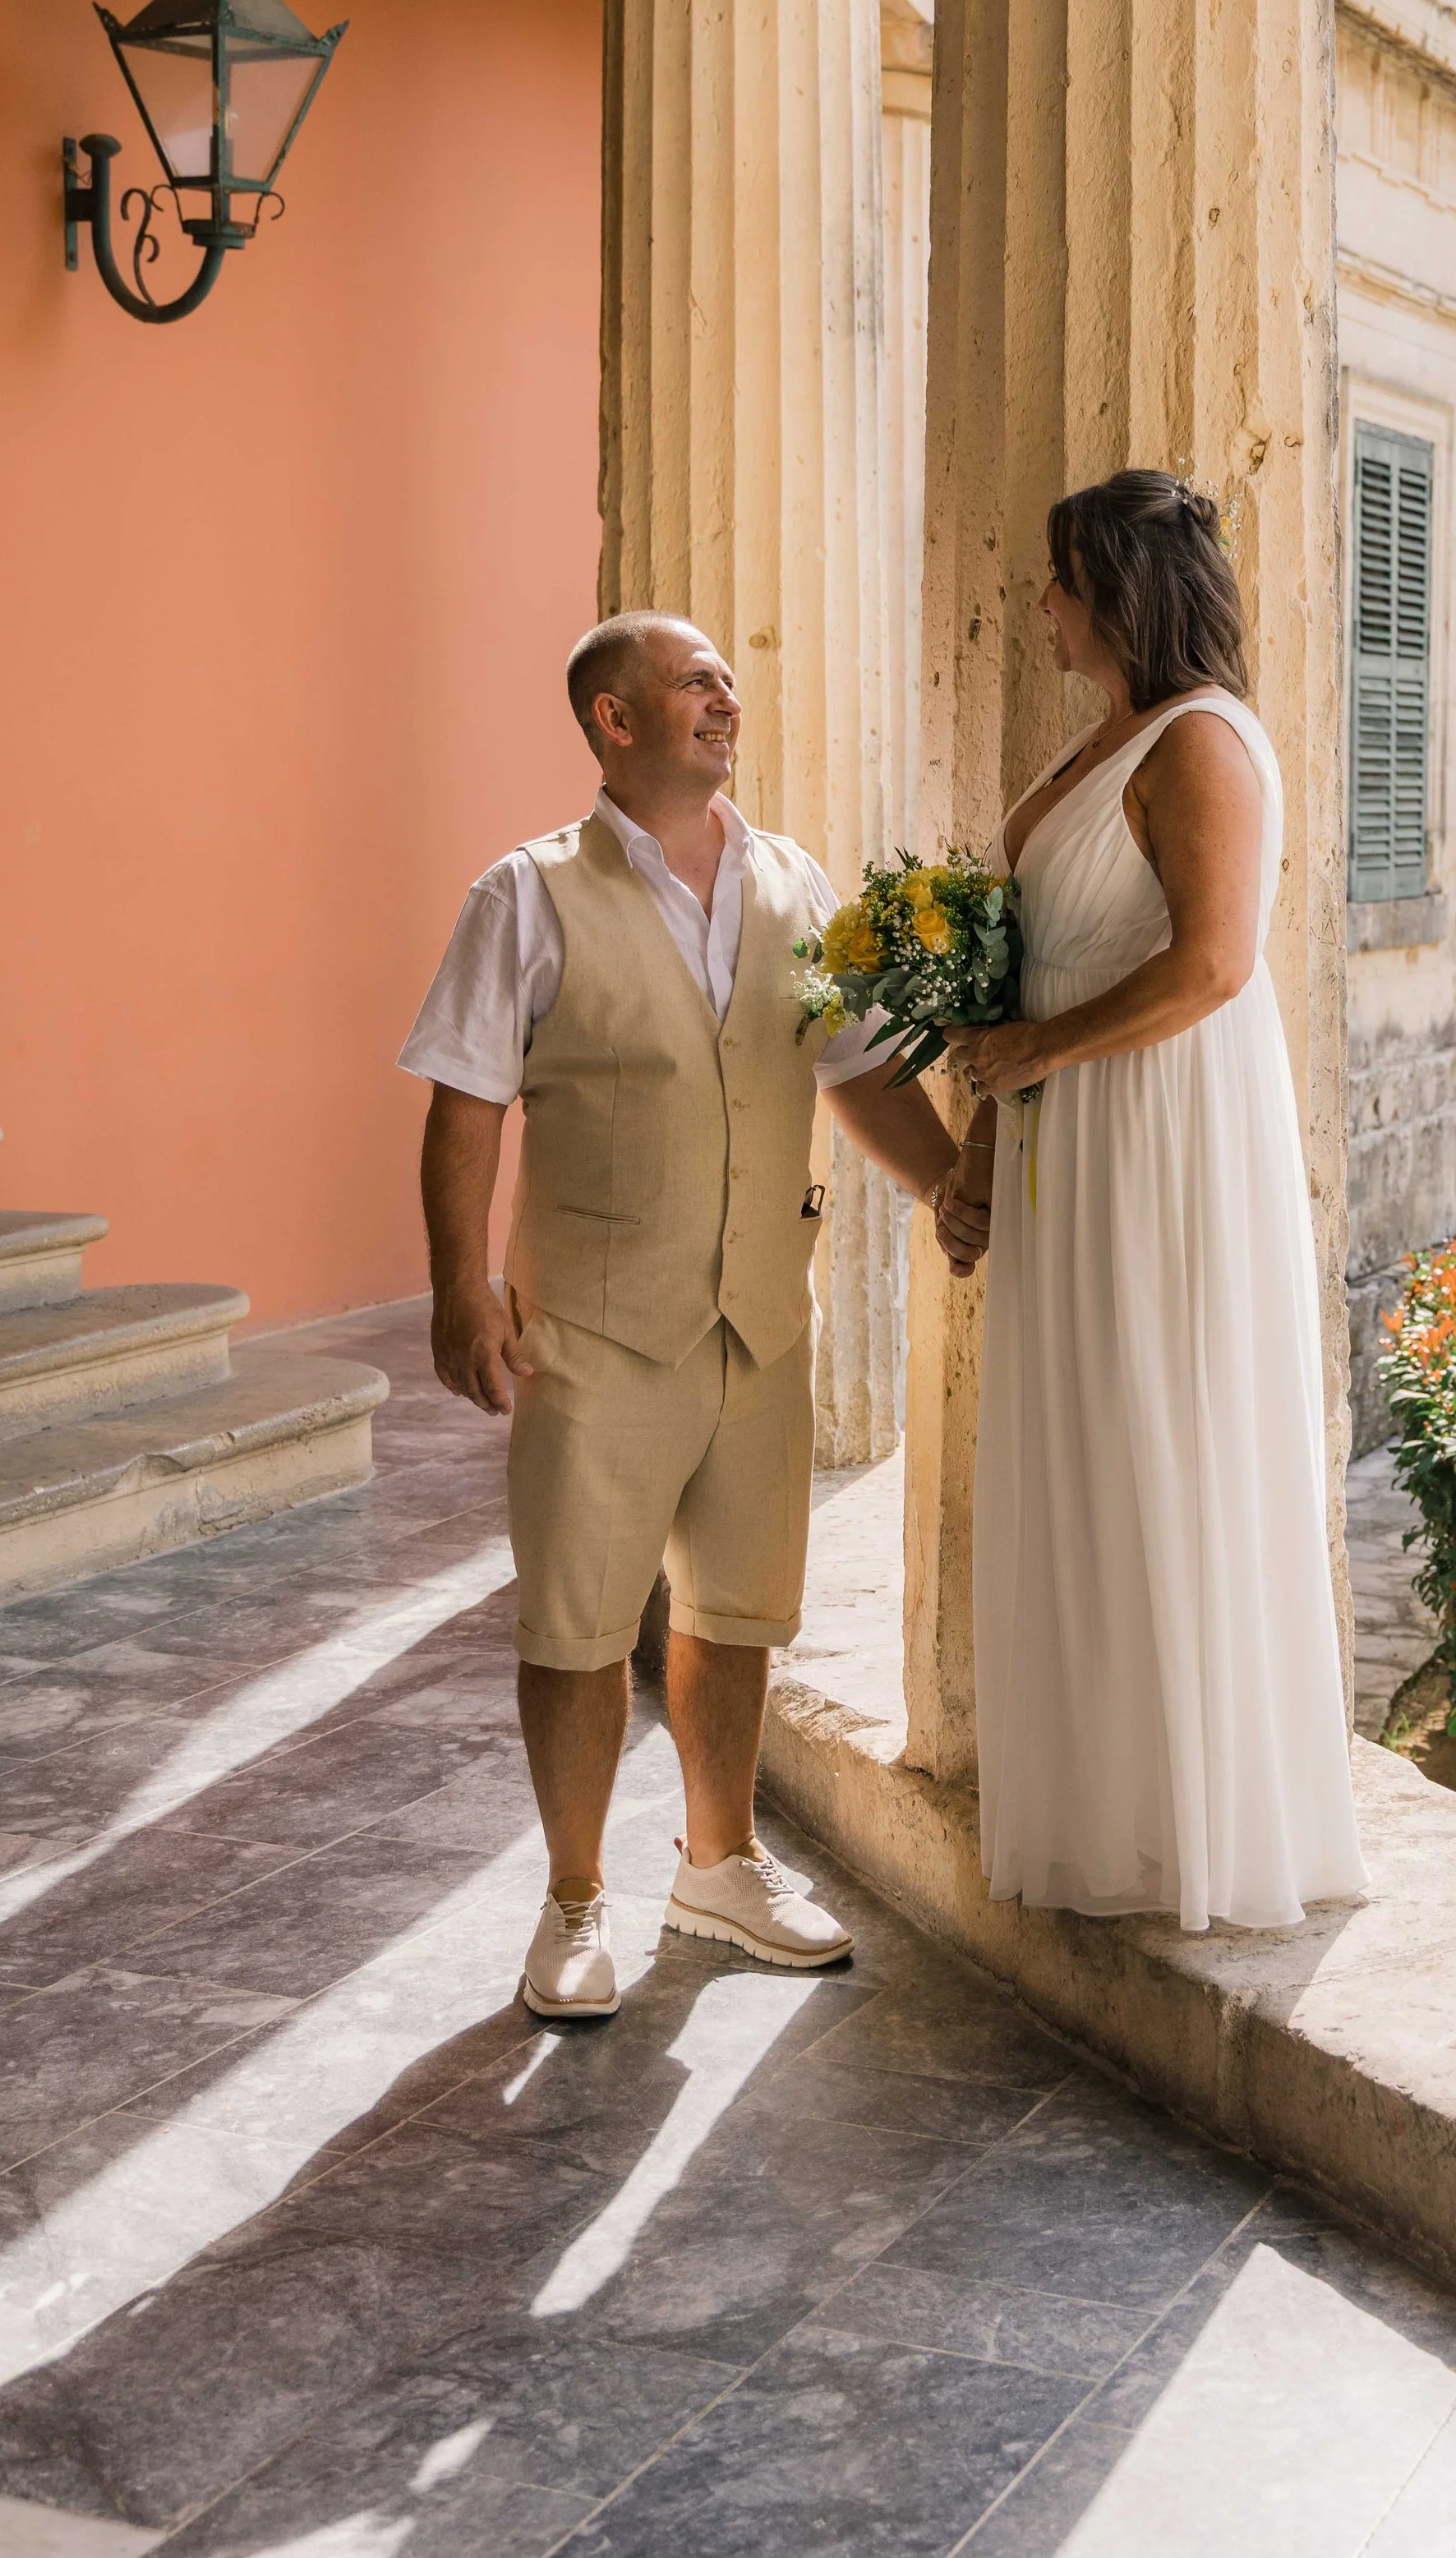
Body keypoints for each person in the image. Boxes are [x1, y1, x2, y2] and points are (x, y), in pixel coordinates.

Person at [402, 613, 974, 2019]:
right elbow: (464, 1103)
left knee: (735, 1613)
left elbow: (856, 1072)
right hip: (590, 1330)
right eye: (695, 680)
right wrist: (456, 1284)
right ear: (613, 718)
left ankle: (718, 1864)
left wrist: (954, 1183)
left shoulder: (796, 882)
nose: (727, 697)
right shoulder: (524, 897)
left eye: (729, 679)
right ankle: (574, 1901)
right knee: (579, 1625)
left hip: (760, 1322)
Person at [938, 471, 1366, 1935]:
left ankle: (1202, 1821)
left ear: (1116, 588)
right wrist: (983, 1150)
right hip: (1070, 1142)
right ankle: (1109, 1810)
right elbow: (1026, 966)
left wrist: (1033, 1056)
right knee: (1089, 1449)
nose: (1039, 607)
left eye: (1058, 579)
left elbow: (1215, 965)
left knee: (1167, 1438)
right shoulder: (1096, 743)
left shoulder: (1201, 748)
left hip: (1165, 1146)